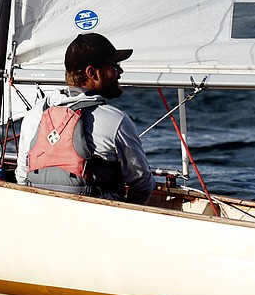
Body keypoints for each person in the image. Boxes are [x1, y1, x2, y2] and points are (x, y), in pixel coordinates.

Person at [16, 32, 154, 203]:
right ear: (92, 73)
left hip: (43, 218)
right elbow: (142, 185)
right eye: (114, 65)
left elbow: (22, 178)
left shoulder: (34, 115)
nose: (120, 71)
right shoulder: (116, 121)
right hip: (96, 223)